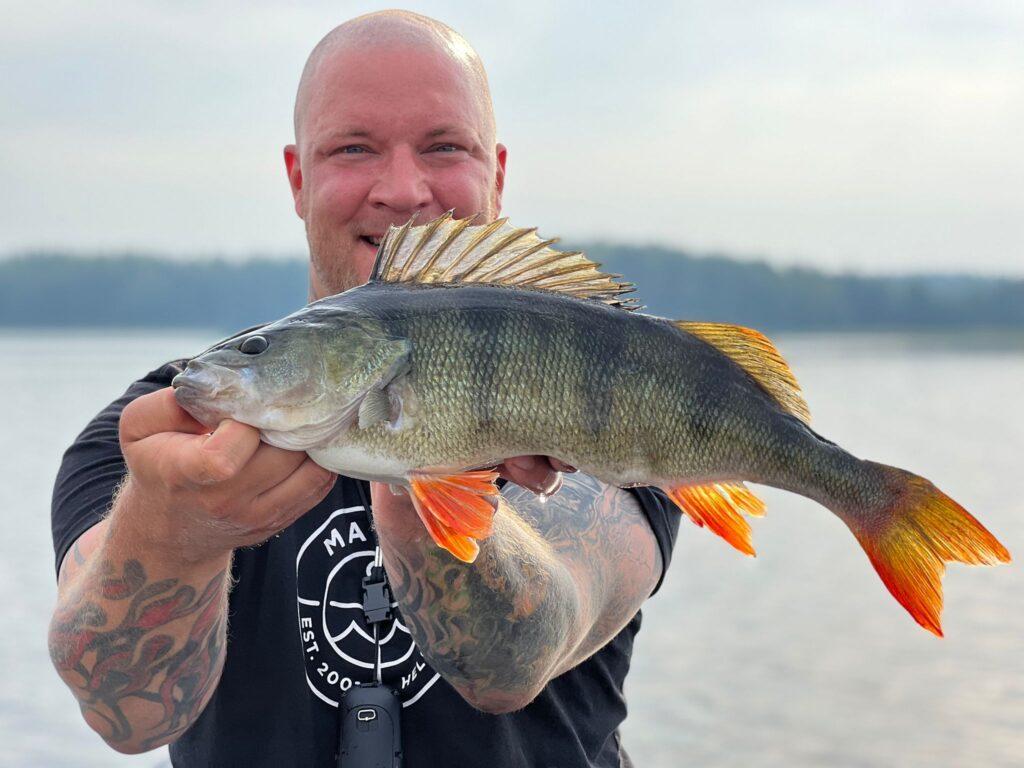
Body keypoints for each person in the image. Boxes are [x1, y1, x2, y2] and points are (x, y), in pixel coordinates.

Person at [48, 11, 680, 767]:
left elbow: (516, 660)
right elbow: (122, 714)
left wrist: (417, 474)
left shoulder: (613, 389)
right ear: (298, 179)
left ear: (497, 174)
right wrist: (168, 531)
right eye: (354, 148)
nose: (404, 190)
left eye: (445, 147)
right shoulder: (159, 440)